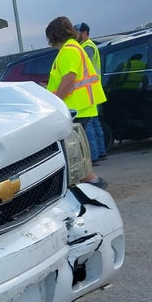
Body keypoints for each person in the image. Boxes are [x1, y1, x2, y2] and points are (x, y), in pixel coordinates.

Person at [45, 16, 108, 189]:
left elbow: (69, 78)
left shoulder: (68, 51)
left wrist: (56, 101)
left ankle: (89, 180)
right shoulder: (75, 48)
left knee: (70, 147)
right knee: (75, 146)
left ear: (54, 35)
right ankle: (90, 179)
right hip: (80, 105)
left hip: (74, 106)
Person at [74, 21, 107, 162]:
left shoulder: (86, 48)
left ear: (85, 33)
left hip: (88, 92)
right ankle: (101, 152)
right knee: (95, 123)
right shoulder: (90, 46)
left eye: (78, 33)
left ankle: (93, 156)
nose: (76, 35)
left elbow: (81, 68)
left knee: (89, 126)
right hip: (93, 90)